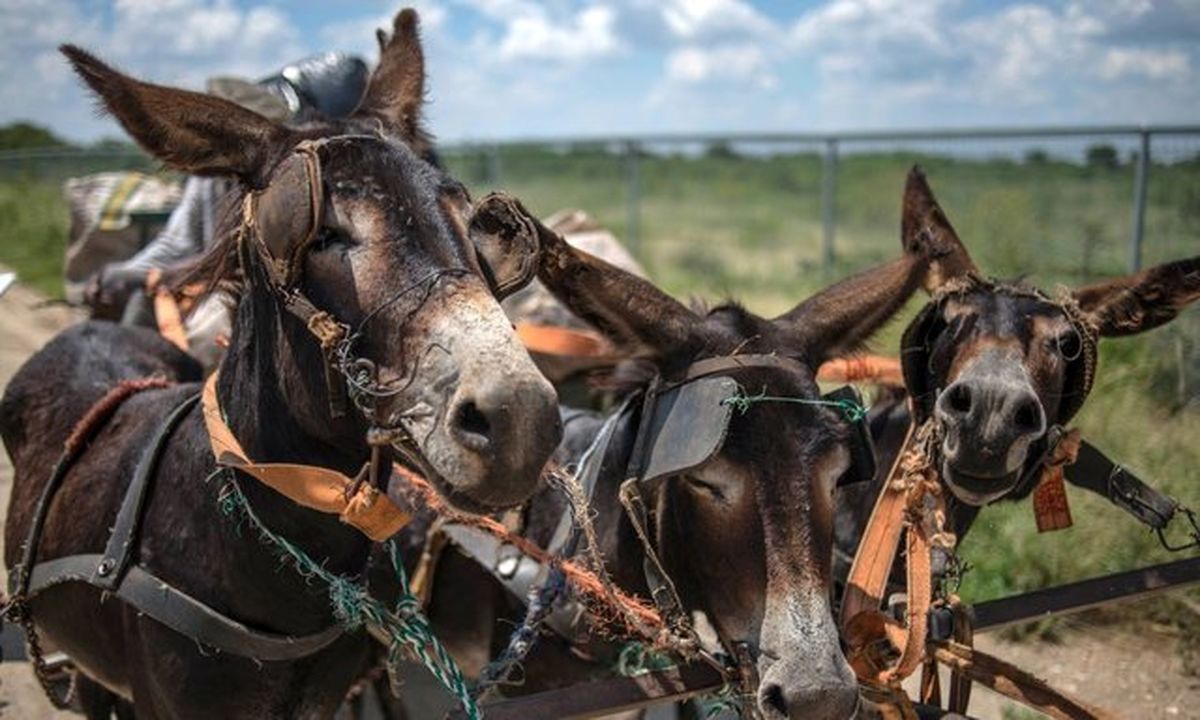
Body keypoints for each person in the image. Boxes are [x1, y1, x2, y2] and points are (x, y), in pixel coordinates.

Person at [84, 53, 369, 366]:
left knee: (208, 335)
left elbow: (263, 257)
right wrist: (127, 274)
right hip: (196, 284)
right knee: (131, 310)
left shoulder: (303, 184)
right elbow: (177, 241)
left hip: (254, 294)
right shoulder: (210, 174)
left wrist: (173, 275)